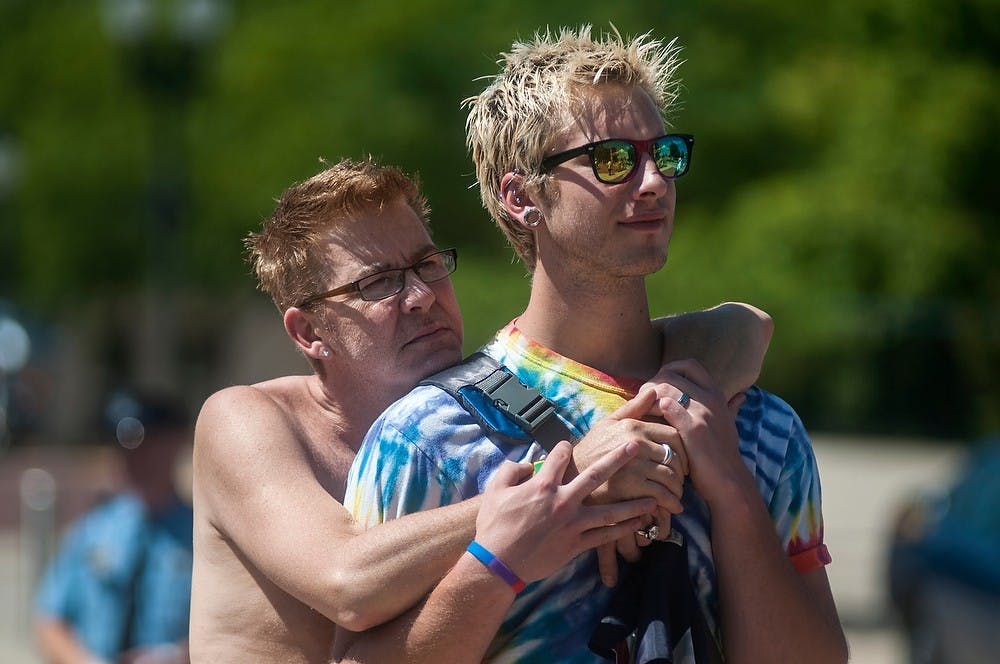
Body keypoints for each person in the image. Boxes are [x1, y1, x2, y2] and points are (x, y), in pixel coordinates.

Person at [341, 26, 848, 663]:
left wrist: (730, 491)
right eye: (613, 159)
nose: (654, 182)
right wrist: (504, 557)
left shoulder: (759, 429)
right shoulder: (430, 438)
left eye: (664, 154)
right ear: (520, 196)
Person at [189, 158, 772, 662]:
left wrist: (652, 429)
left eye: (426, 264)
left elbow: (745, 330)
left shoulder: (474, 397)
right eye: (377, 285)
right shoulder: (248, 420)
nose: (421, 296)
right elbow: (348, 582)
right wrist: (570, 479)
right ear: (310, 331)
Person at [34, 390, 194, 664]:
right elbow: (49, 621)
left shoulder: (203, 535)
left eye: (147, 444)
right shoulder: (91, 530)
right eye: (125, 447)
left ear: (176, 443)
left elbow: (235, 629)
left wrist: (177, 656)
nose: (135, 459)